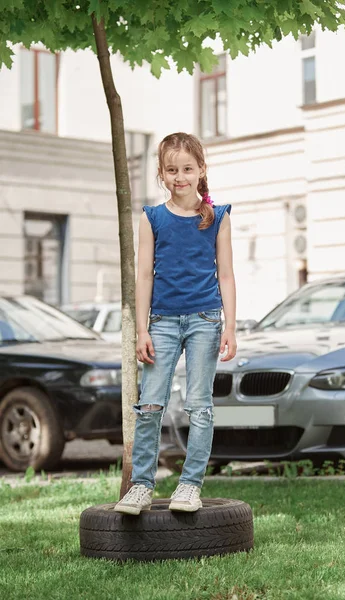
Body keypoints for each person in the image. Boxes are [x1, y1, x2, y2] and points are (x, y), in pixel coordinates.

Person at [114, 132, 237, 515]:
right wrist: (142, 329)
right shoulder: (152, 218)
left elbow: (227, 276)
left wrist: (230, 327)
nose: (180, 176)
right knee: (150, 404)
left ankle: (189, 484)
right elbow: (145, 276)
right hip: (162, 322)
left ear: (201, 170)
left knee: (199, 406)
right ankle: (142, 486)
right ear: (161, 174)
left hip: (205, 320)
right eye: (172, 170)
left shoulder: (218, 217)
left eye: (187, 169)